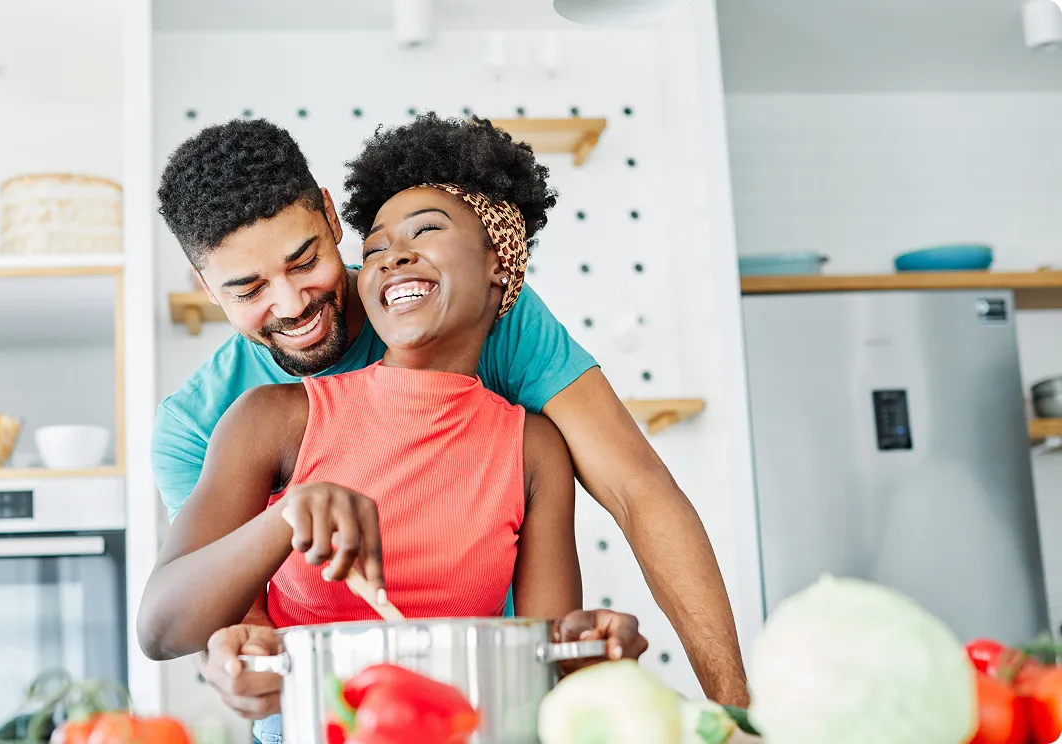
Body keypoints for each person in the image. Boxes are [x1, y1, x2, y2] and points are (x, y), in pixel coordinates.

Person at [152, 116, 749, 711]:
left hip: (486, 705)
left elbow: (637, 490)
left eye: (305, 261)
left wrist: (733, 709)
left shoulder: (487, 326)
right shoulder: (219, 423)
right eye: (248, 290)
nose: (290, 304)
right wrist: (239, 664)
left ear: (332, 220)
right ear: (207, 287)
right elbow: (217, 625)